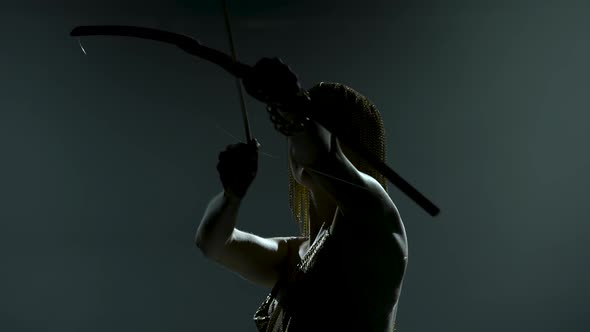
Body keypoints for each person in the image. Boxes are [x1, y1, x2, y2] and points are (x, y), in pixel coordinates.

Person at [195, 60, 408, 331]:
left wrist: (291, 104)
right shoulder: (293, 254)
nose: (302, 142)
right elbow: (213, 243)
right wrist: (231, 196)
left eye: (332, 130)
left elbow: (322, 157)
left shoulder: (375, 215)